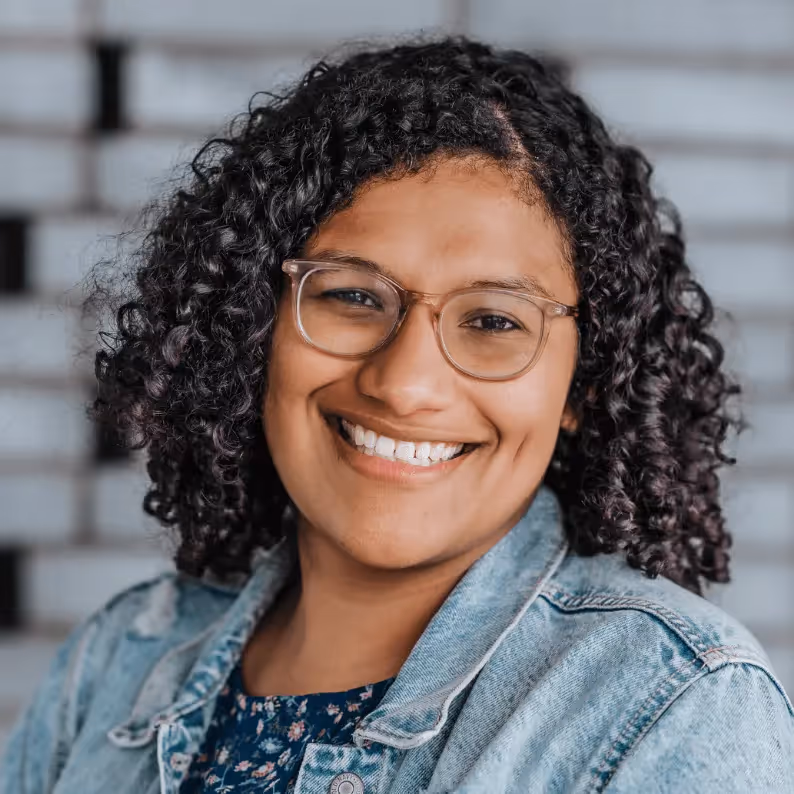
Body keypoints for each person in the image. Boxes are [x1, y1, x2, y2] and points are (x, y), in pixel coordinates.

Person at [2, 35, 793, 794]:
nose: (405, 383)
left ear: (585, 385)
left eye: (493, 321)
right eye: (350, 295)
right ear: (252, 327)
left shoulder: (673, 705)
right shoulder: (120, 659)